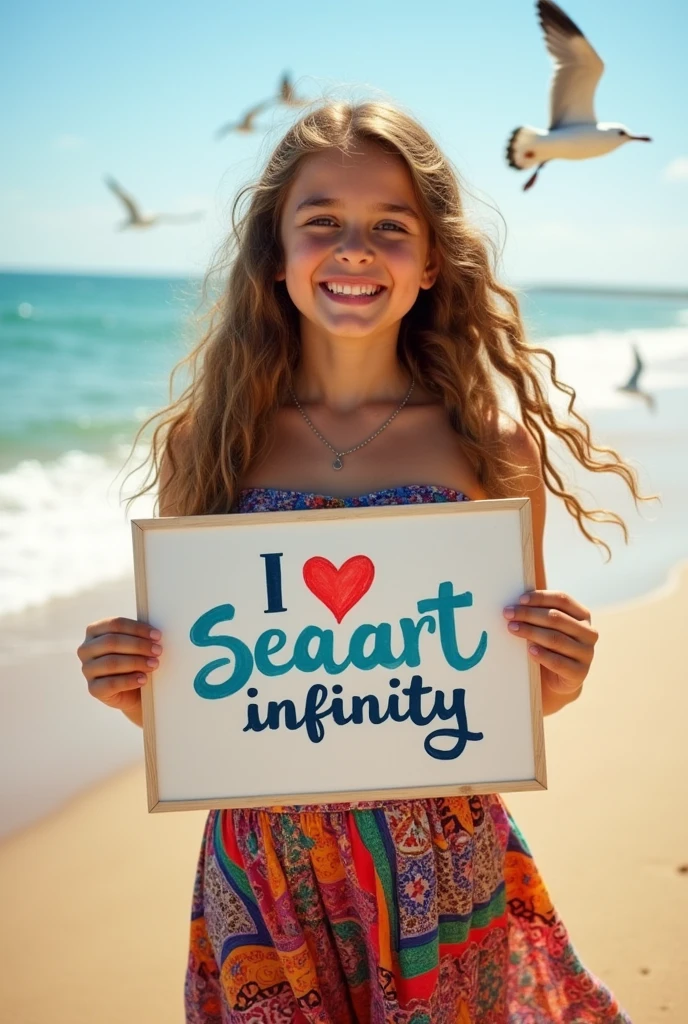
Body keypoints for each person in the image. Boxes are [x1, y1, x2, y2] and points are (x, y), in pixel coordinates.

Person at [77, 101, 644, 1023]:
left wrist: (563, 675)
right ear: (276, 256)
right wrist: (129, 687)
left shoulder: (488, 447)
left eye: (389, 226)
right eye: (321, 223)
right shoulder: (209, 443)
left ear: (431, 263)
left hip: (441, 857)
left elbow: (513, 696)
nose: (354, 248)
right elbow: (207, 712)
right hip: (265, 869)